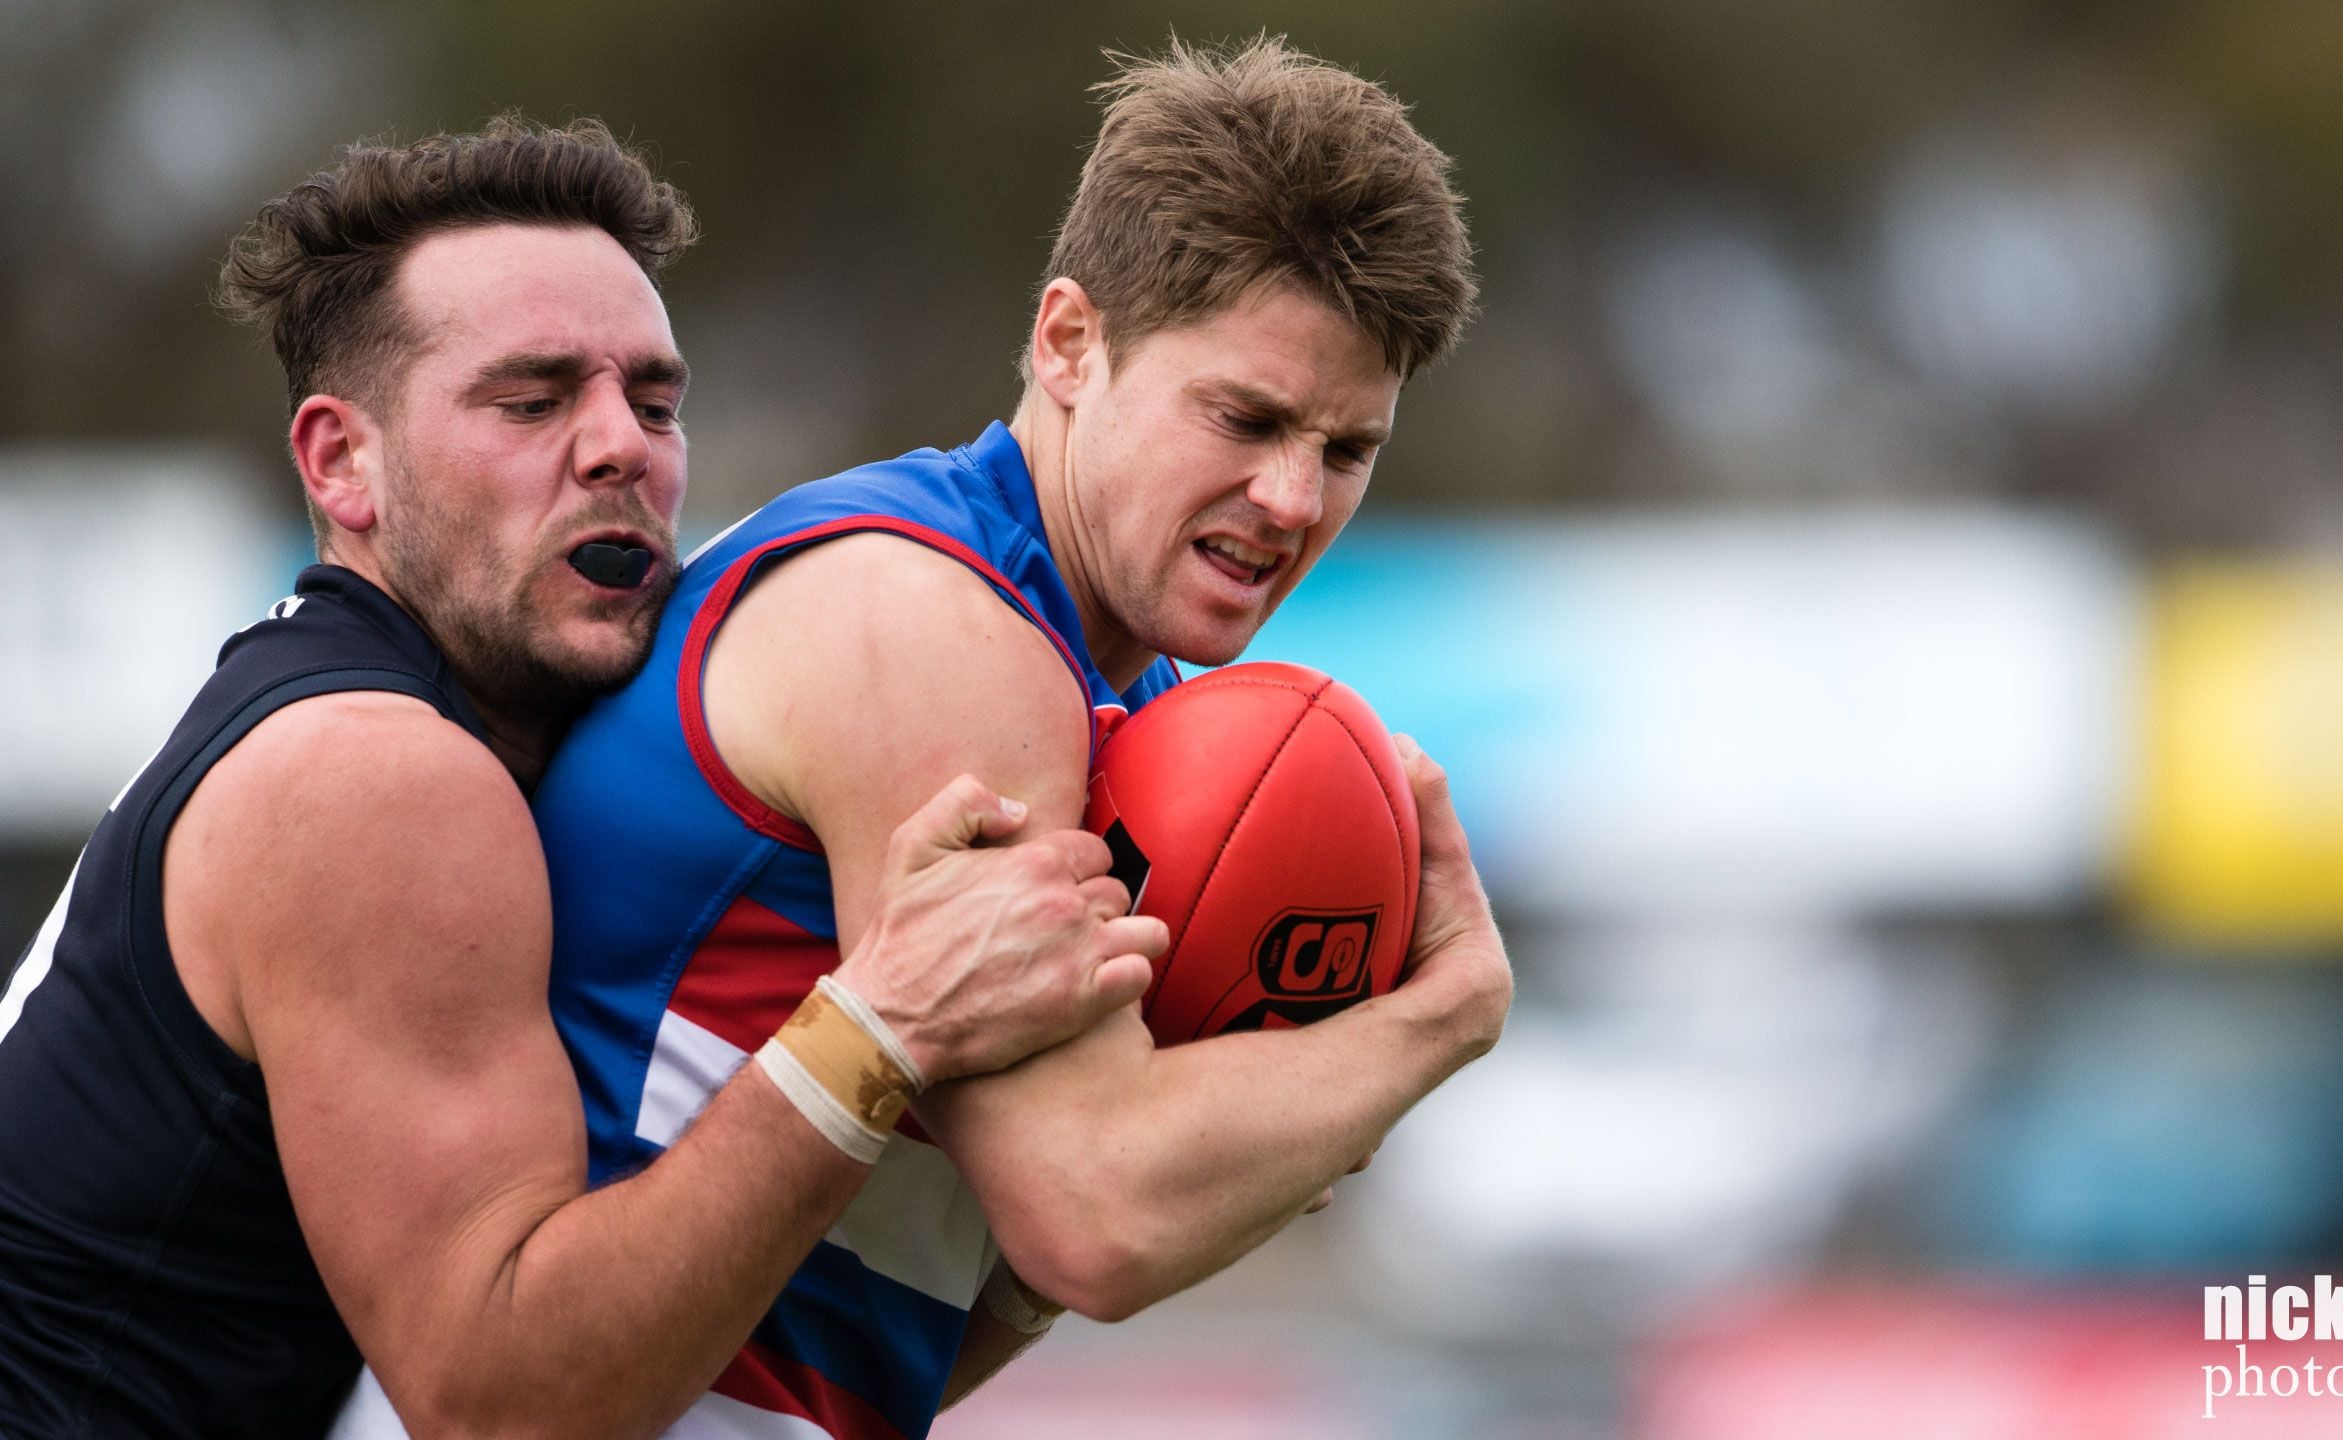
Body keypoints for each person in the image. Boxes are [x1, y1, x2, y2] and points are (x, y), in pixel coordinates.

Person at [335, 38, 1516, 1440]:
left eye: (1346, 448)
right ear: (1070, 342)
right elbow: (1100, 1218)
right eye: (1245, 416)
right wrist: (1445, 1016)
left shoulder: (1120, 705)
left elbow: (903, 1339)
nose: (1288, 495)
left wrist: (1258, 1129)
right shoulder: (936, 628)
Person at [0, 119, 1165, 1440]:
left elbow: (710, 1351)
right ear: (341, 462)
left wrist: (1025, 1258)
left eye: (656, 402)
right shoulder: (379, 775)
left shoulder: (429, 726)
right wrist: (876, 1026)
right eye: (533, 399)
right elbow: (503, 1408)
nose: (626, 449)